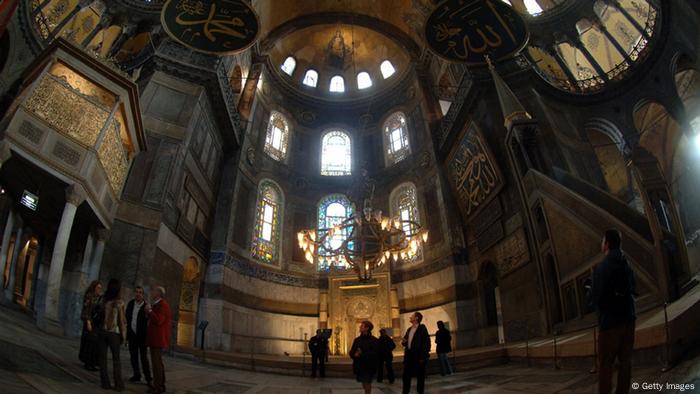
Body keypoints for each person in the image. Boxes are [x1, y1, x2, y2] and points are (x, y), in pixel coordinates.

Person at [589, 229, 636, 394]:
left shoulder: (602, 268)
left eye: (603, 241)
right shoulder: (626, 263)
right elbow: (633, 288)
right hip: (629, 319)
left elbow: (595, 298)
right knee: (626, 362)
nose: (601, 243)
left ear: (607, 243)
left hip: (609, 325)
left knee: (605, 366)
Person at [98, 278, 127, 391]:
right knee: (116, 359)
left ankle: (105, 383)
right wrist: (124, 337)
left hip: (102, 331)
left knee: (102, 358)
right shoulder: (120, 303)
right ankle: (118, 384)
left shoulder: (104, 300)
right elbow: (122, 321)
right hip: (114, 333)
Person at [146, 286, 172, 394]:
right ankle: (160, 384)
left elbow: (159, 320)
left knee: (156, 364)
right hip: (154, 337)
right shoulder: (156, 304)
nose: (151, 292)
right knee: (157, 363)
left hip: (158, 338)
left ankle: (158, 388)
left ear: (159, 293)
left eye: (153, 291)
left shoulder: (163, 305)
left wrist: (150, 311)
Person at [126, 286, 151, 384]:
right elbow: (127, 317)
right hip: (132, 334)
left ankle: (148, 378)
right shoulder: (131, 303)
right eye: (136, 292)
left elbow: (149, 321)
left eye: (140, 292)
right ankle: (137, 374)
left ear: (143, 294)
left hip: (142, 336)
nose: (138, 294)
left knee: (144, 358)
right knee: (133, 356)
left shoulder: (146, 306)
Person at [401, 312, 430, 394]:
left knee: (420, 377)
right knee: (406, 376)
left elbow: (426, 343)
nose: (410, 317)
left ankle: (420, 392)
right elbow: (405, 342)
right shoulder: (409, 329)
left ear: (416, 318)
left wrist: (422, 357)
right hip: (409, 356)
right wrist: (403, 342)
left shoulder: (422, 328)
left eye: (412, 316)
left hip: (418, 356)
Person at [350, 321, 379, 394]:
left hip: (369, 365)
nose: (360, 327)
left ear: (367, 328)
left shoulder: (374, 340)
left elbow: (375, 353)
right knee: (364, 383)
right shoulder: (357, 340)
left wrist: (361, 353)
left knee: (367, 382)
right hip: (359, 366)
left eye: (362, 326)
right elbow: (352, 352)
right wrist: (354, 354)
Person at [79, 280, 102, 371]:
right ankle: (87, 362)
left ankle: (92, 362)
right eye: (98, 288)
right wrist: (88, 321)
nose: (99, 290)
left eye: (100, 288)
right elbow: (86, 310)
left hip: (96, 323)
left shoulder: (99, 298)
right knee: (88, 342)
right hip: (89, 321)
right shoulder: (89, 296)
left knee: (94, 343)